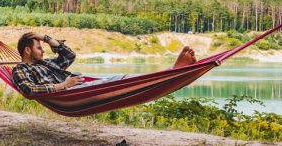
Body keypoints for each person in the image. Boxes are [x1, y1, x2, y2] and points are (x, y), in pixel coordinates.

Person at [12, 32, 197, 95]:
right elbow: (29, 90)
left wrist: (46, 38)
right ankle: (173, 71)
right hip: (71, 93)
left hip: (83, 87)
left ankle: (172, 73)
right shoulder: (21, 69)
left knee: (120, 79)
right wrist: (62, 86)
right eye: (39, 47)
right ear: (27, 51)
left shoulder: (47, 64)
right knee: (120, 81)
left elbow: (69, 56)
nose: (43, 50)